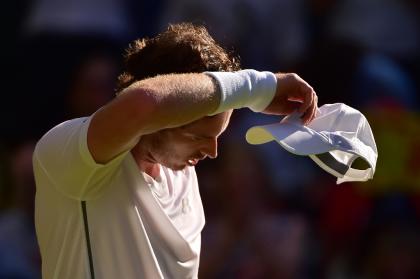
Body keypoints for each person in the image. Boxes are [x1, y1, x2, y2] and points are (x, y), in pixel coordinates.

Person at [33, 23, 317, 279]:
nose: (212, 151)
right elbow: (145, 103)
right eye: (197, 136)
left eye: (217, 136)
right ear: (157, 124)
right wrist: (258, 87)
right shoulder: (65, 150)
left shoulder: (184, 176)